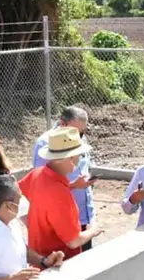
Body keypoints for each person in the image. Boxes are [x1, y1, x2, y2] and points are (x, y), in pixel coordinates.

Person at [20, 127, 103, 261]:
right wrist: (93, 230)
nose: (78, 160)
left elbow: (17, 194)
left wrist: (30, 223)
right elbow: (73, 241)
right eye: (78, 156)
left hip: (40, 260)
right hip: (60, 266)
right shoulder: (60, 194)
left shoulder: (37, 174)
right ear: (69, 158)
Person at [33, 107, 97, 251]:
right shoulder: (44, 144)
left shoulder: (78, 137)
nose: (79, 136)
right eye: (76, 131)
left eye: (82, 132)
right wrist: (74, 185)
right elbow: (40, 187)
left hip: (84, 216)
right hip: (63, 220)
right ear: (62, 123)